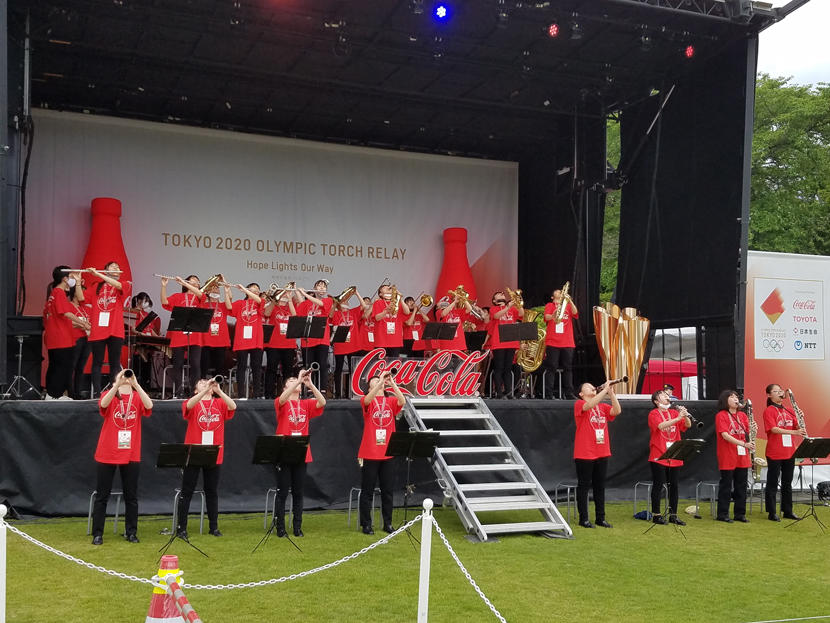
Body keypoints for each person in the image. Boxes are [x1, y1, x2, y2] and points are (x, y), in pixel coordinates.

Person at [90, 369, 153, 544]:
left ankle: (131, 532)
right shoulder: (109, 394)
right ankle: (98, 533)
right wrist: (117, 384)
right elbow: (104, 404)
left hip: (131, 452)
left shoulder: (137, 396)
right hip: (108, 451)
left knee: (131, 495)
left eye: (128, 376)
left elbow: (149, 406)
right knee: (103, 495)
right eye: (122, 375)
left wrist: (136, 384)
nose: (125, 378)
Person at [176, 377, 237, 539]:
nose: (206, 384)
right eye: (202, 383)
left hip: (213, 451)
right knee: (187, 491)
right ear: (196, 390)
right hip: (194, 452)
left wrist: (218, 391)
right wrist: (204, 391)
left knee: (212, 491)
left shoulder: (219, 402)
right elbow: (188, 406)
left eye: (207, 383)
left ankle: (213, 527)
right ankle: (181, 528)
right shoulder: (193, 401)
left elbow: (233, 406)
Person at [274, 368, 326, 536]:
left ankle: (297, 526)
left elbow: (322, 402)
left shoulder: (305, 404)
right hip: (284, 451)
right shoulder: (280, 401)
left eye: (295, 382)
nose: (294, 383)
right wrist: (297, 380)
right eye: (289, 382)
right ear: (285, 387)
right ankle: (280, 526)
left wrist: (310, 384)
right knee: (282, 492)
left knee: (298, 492)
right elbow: (282, 399)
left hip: (301, 452)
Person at [358, 371, 405, 535]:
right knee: (367, 490)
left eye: (379, 380)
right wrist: (379, 384)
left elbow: (402, 401)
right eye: (374, 380)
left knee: (388, 491)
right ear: (369, 386)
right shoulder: (366, 401)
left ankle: (388, 523)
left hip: (387, 452)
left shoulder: (390, 401)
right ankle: (366, 524)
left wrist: (392, 384)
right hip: (370, 452)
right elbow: (368, 399)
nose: (379, 381)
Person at [573, 380, 621, 528]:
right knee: (584, 486)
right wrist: (603, 391)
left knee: (600, 486)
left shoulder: (602, 406)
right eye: (588, 386)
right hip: (585, 452)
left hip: (602, 451)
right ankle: (584, 518)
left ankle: (600, 517)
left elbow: (617, 411)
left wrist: (611, 393)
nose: (592, 387)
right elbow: (589, 405)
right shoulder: (579, 404)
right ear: (581, 393)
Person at [43, 267, 89, 399]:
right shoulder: (59, 293)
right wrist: (84, 324)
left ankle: (51, 394)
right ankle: (56, 395)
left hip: (54, 338)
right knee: (62, 368)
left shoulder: (53, 294)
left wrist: (81, 323)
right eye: (71, 276)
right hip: (61, 338)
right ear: (64, 279)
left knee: (54, 367)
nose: (73, 280)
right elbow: (67, 313)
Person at [647, 390, 691, 525]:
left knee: (674, 486)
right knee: (659, 484)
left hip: (674, 453)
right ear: (656, 401)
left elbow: (687, 426)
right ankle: (657, 514)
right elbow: (660, 426)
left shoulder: (673, 412)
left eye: (667, 395)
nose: (667, 397)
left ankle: (673, 515)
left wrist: (685, 415)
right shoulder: (653, 413)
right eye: (663, 395)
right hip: (659, 453)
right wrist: (678, 418)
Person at [763, 384, 806, 521]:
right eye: (776, 391)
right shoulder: (769, 410)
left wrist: (800, 417)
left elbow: (798, 426)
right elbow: (774, 429)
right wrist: (794, 431)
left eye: (781, 391)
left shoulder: (789, 410)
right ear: (770, 395)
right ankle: (772, 512)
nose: (780, 393)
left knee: (787, 482)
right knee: (773, 482)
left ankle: (787, 510)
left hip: (789, 451)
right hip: (775, 451)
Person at [87, 262, 131, 397]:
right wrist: (77, 282)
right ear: (106, 271)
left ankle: (114, 392)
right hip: (98, 329)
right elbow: (82, 297)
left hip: (115, 329)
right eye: (113, 267)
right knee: (97, 362)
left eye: (118, 267)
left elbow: (117, 285)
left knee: (115, 363)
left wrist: (98, 274)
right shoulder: (96, 286)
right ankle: (96, 394)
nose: (117, 269)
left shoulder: (125, 283)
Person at [161, 275, 205, 396]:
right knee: (178, 364)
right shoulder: (177, 296)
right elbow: (164, 302)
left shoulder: (199, 297)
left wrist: (188, 285)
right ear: (185, 283)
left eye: (197, 281)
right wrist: (164, 286)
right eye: (193, 281)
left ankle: (195, 392)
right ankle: (178, 392)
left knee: (195, 364)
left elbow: (202, 295)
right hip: (179, 334)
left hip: (195, 335)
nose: (196, 283)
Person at [715, 389, 753, 523]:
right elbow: (725, 435)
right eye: (732, 397)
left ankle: (740, 513)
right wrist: (743, 444)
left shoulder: (742, 416)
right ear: (725, 400)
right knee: (726, 485)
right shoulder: (721, 415)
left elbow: (747, 433)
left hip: (742, 454)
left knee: (741, 485)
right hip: (728, 454)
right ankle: (723, 513)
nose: (736, 399)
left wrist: (751, 435)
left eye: (736, 396)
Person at [296, 280, 334, 393]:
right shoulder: (307, 303)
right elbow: (300, 308)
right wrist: (298, 292)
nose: (322, 288)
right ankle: (309, 388)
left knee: (322, 364)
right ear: (314, 288)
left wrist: (305, 294)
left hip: (322, 338)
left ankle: (322, 389)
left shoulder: (328, 300)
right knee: (308, 366)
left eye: (324, 286)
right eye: (319, 286)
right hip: (308, 339)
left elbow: (320, 304)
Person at [330, 290, 368, 398]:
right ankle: (337, 395)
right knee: (338, 370)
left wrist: (357, 294)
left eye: (347, 302)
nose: (346, 303)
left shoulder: (353, 312)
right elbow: (330, 314)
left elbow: (364, 306)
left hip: (353, 346)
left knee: (353, 371)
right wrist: (335, 303)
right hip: (340, 346)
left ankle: (352, 393)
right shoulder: (337, 313)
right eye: (343, 301)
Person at [486, 290, 523, 398]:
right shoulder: (494, 309)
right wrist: (507, 307)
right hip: (499, 342)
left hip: (511, 341)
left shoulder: (512, 308)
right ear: (494, 300)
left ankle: (508, 392)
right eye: (498, 294)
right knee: (499, 368)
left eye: (503, 294)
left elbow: (521, 314)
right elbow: (497, 316)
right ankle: (499, 393)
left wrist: (518, 302)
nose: (502, 294)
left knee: (508, 368)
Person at [543, 288, 578, 399]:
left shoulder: (567, 305)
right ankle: (549, 393)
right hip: (553, 341)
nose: (560, 292)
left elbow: (575, 313)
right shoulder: (550, 305)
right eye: (557, 292)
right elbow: (546, 317)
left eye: (561, 292)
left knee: (568, 368)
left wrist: (570, 300)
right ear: (553, 297)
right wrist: (554, 314)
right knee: (551, 368)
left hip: (567, 341)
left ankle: (569, 393)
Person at [231, 282, 265, 398]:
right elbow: (229, 307)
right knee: (241, 367)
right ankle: (240, 395)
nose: (256, 290)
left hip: (256, 340)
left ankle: (256, 394)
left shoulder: (260, 302)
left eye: (257, 288)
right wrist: (227, 291)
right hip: (242, 340)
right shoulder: (240, 303)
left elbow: (260, 301)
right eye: (253, 288)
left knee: (256, 368)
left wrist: (246, 291)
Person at [264, 287, 298, 399]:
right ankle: (269, 395)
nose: (283, 295)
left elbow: (295, 316)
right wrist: (274, 301)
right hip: (273, 344)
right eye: (281, 293)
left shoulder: (290, 306)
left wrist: (289, 299)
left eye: (284, 293)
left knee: (288, 371)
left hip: (289, 344)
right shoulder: (272, 306)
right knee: (271, 370)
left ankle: (287, 395)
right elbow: (267, 313)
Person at [200, 277, 232, 380]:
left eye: (217, 288)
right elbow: (199, 295)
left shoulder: (223, 305)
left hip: (220, 341)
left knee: (220, 370)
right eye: (212, 288)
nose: (215, 290)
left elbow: (230, 298)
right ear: (207, 291)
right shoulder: (202, 304)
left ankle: (218, 392)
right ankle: (203, 390)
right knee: (203, 368)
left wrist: (226, 285)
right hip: (205, 341)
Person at [371, 285, 411, 358]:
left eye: (389, 288)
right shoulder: (378, 302)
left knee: (393, 365)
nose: (388, 288)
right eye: (385, 288)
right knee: (380, 364)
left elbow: (407, 312)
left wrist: (400, 298)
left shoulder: (397, 303)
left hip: (396, 340)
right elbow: (377, 318)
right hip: (381, 340)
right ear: (380, 294)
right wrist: (386, 311)